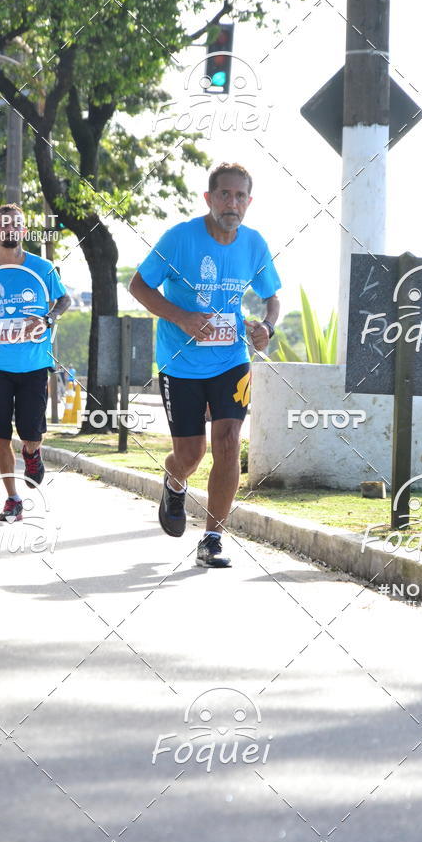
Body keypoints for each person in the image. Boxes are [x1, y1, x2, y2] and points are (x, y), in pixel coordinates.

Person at [129, 162, 281, 568]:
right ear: (209, 198)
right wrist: (181, 317)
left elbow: (272, 298)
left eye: (240, 196)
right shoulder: (180, 238)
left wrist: (266, 327)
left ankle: (212, 539)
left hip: (231, 358)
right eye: (225, 194)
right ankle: (175, 480)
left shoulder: (254, 244)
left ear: (249, 201)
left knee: (228, 441)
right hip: (180, 363)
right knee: (190, 455)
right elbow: (139, 285)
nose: (232, 203)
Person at [0, 203, 71, 520]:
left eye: (15, 225)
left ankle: (32, 452)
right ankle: (13, 498)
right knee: (0, 435)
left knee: (31, 434)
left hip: (34, 365)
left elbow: (64, 299)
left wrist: (48, 318)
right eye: (3, 225)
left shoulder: (42, 268)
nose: (9, 229)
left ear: (23, 231)